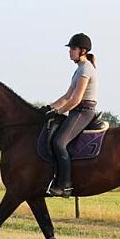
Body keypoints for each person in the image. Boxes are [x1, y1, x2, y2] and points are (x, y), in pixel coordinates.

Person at [44, 33, 98, 198]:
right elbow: (66, 97)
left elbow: (76, 99)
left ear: (83, 51)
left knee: (59, 142)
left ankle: (65, 185)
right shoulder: (78, 70)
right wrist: (48, 108)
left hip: (84, 111)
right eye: (70, 49)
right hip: (77, 110)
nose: (70, 52)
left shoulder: (86, 69)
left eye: (73, 49)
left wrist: (58, 112)